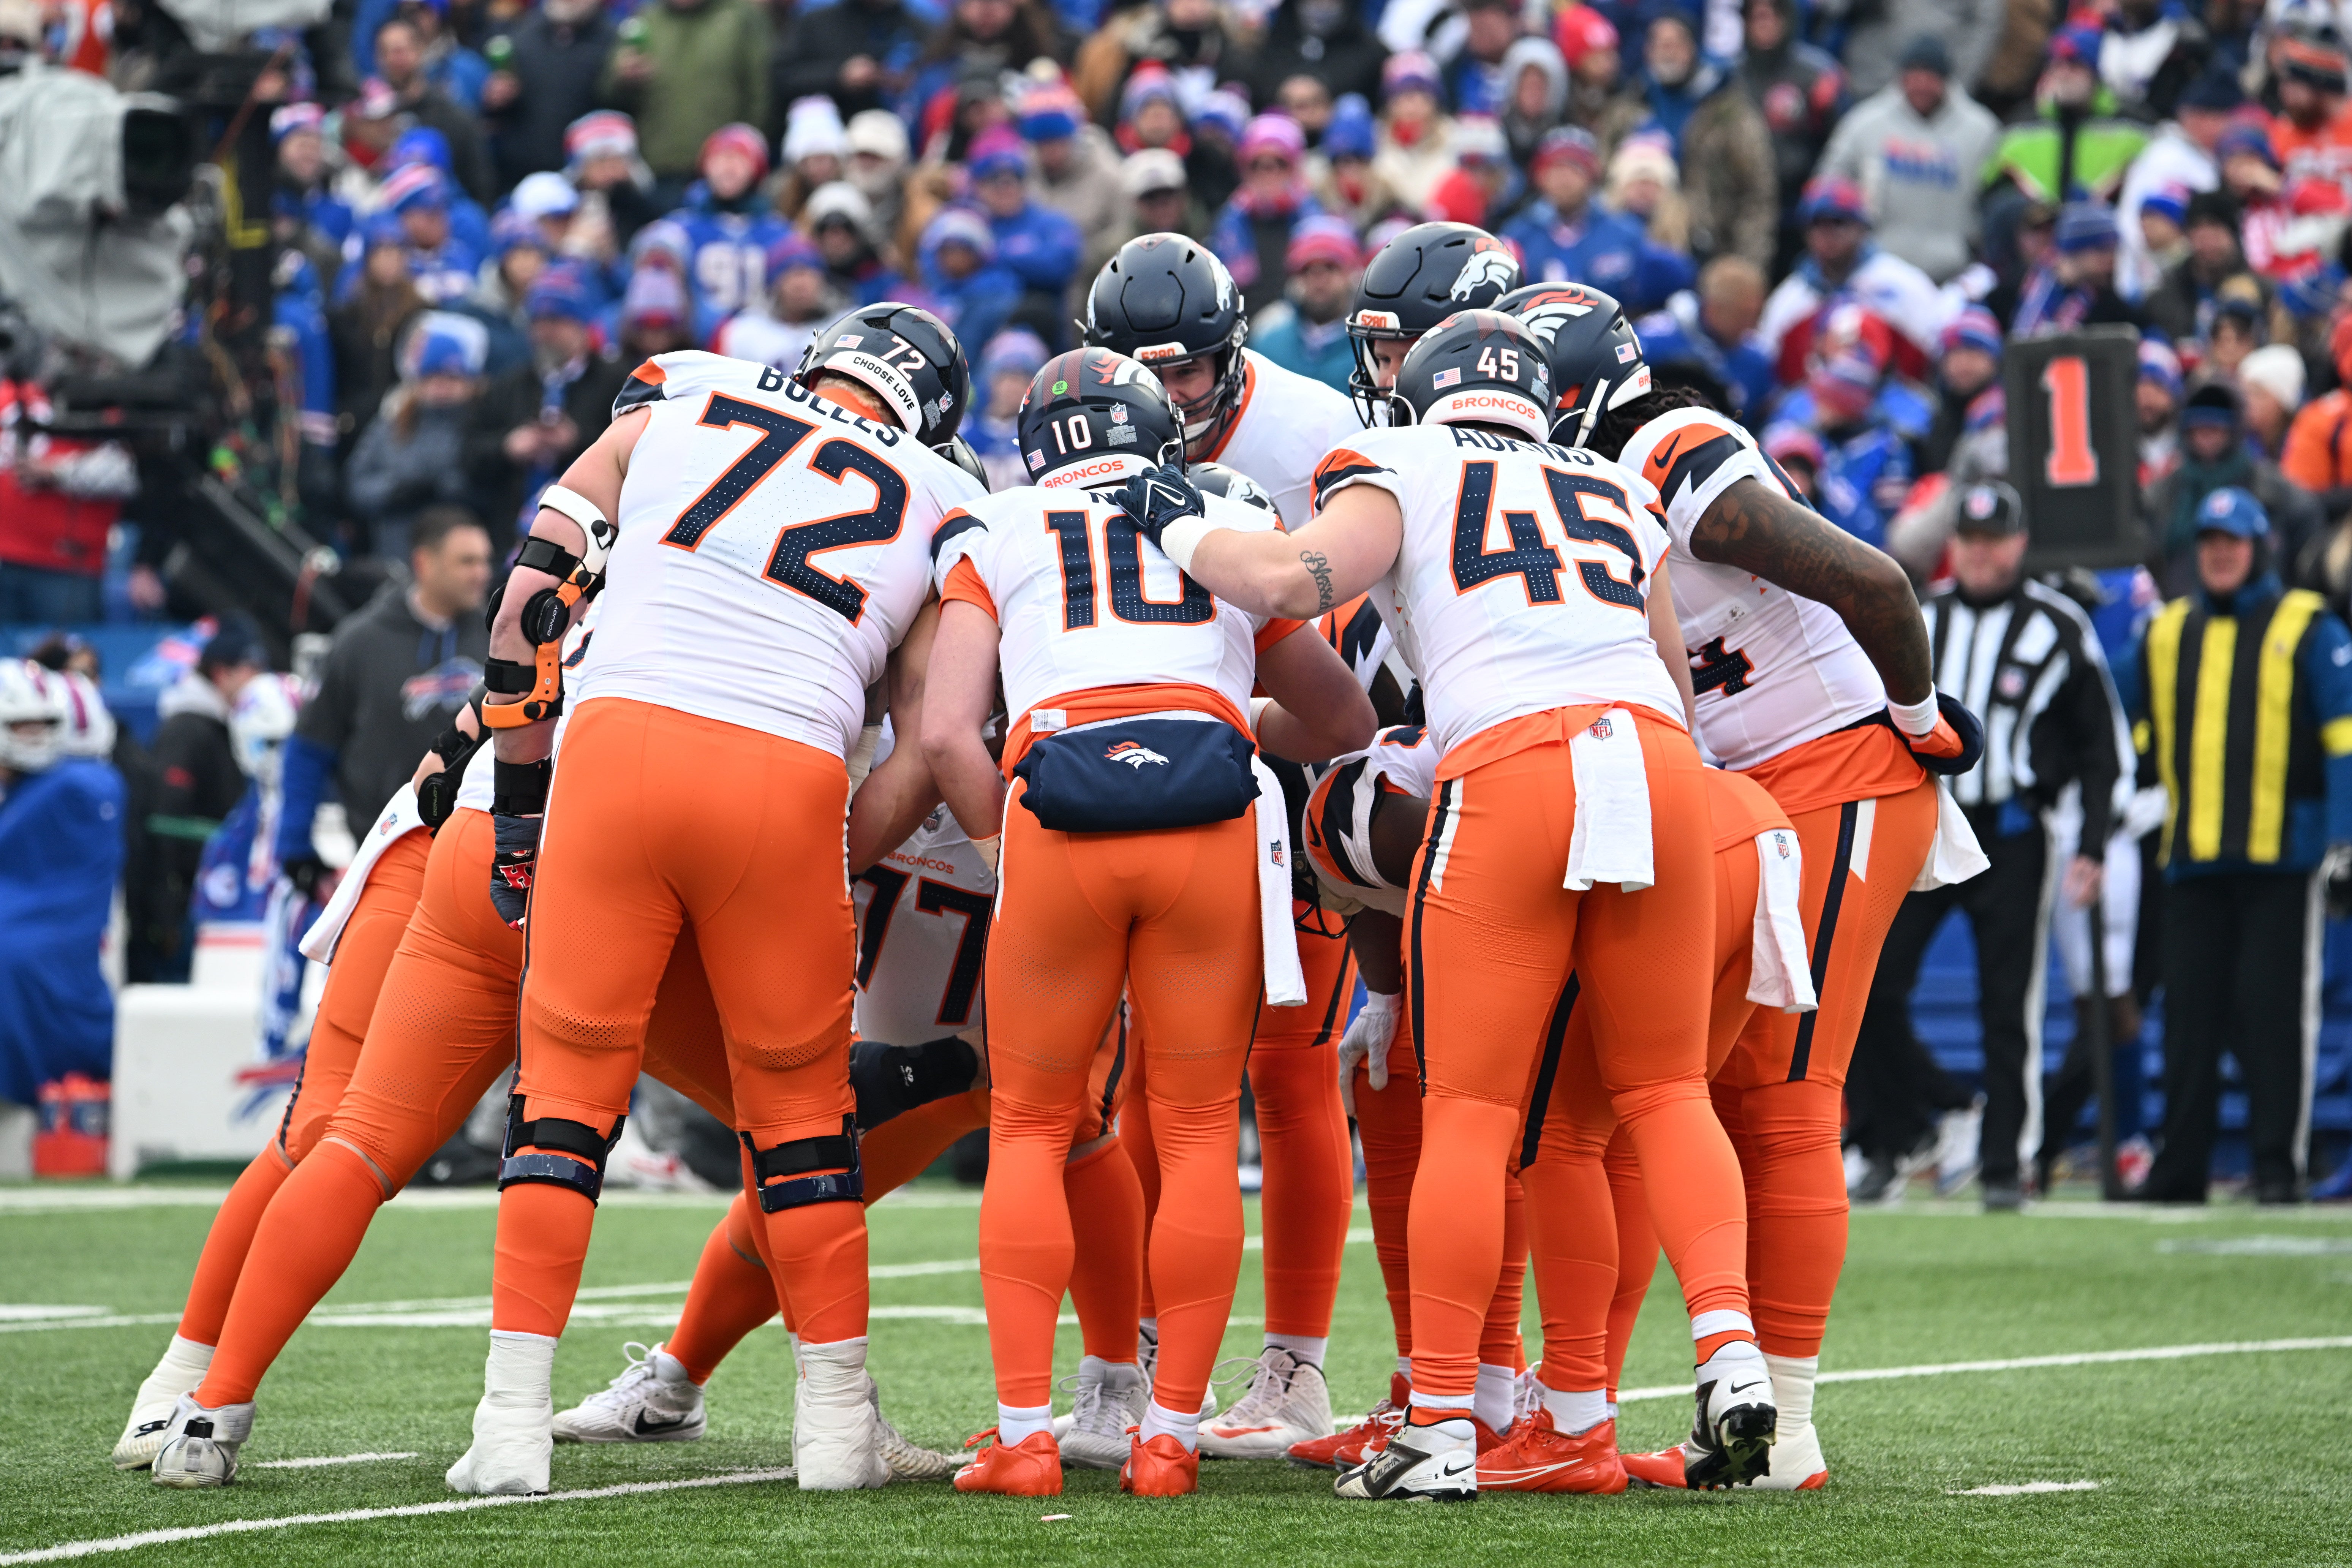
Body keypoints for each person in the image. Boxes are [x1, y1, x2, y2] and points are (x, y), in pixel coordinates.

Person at [1135, 308, 1776, 1501]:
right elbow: (1674, 690)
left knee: (1473, 1108)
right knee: (1667, 1090)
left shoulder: (1410, 459)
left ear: (1424, 392)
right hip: (1658, 770)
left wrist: (1174, 518)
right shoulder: (1613, 485)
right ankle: (1732, 1358)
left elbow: (1287, 575)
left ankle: (1440, 1420)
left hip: (1516, 765)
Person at [428, 303, 983, 1497]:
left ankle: (512, 1422)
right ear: (932, 415)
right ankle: (835, 1428)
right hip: (787, 767)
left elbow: (527, 602)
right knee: (803, 1115)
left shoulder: (676, 410)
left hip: (620, 745)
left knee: (567, 1093)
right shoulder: (943, 490)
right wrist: (823, 849)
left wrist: (523, 805)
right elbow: (936, 736)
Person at [1513, 282, 1979, 1489]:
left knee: (1782, 1097)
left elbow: (1873, 580)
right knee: (1681, 1091)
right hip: (1743, 793)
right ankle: (1593, 1406)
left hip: (1833, 767)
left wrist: (1919, 718)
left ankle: (1793, 1426)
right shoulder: (1574, 493)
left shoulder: (1670, 448)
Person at [922, 347, 1372, 1497]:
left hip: (1059, 803)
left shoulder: (997, 528)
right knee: (1194, 1132)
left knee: (1027, 1125)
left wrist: (996, 842)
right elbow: (1342, 714)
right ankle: (1169, 1436)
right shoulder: (1222, 512)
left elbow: (942, 738)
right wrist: (1226, 703)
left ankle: (1028, 1437)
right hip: (1207, 816)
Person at [1076, 237, 1368, 1461]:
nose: (1174, 398)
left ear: (1232, 350)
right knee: (1150, 1076)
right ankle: (1137, 1349)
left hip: (1297, 752)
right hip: (1156, 771)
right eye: (1153, 375)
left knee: (1293, 1070)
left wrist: (1260, 717)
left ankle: (1294, 1363)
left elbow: (1354, 607)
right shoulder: (1089, 425)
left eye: (1192, 373)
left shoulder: (1315, 431)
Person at [1849, 482, 2128, 1210]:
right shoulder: (1919, 614)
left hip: (2011, 832)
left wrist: (2092, 841)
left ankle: (2006, 1163)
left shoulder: (2058, 625)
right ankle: (1900, 1132)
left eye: (1992, 539)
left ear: (2017, 542)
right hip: (1926, 826)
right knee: (1868, 986)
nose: (1979, 552)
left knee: (2009, 1005)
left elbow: (2103, 746)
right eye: (1968, 539)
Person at [2127, 487, 2352, 1204]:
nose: (2220, 552)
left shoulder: (2307, 625)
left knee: (2272, 1019)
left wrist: (2343, 841)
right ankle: (2179, 1173)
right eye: (2209, 541)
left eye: (2234, 540)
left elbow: (2343, 739)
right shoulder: (2164, 633)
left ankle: (2276, 1168)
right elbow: (2127, 727)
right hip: (2190, 861)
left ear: (2260, 547)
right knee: (2187, 1024)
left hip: (2282, 863)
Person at [274, 507, 490, 890]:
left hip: (480, 854)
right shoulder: (361, 641)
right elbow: (310, 746)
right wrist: (294, 844)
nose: (481, 574)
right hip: (386, 853)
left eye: (484, 562)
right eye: (467, 562)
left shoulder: (498, 638)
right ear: (425, 563)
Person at [0, 661, 122, 1119]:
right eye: (21, 725)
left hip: (48, 952)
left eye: (42, 724)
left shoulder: (76, 786)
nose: (33, 735)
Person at [1595, 0, 1777, 269]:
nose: (1667, 52)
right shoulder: (1626, 111)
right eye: (1659, 44)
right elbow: (1600, 178)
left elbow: (1758, 195)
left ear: (1694, 48)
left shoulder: (1729, 112)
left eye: (1676, 43)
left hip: (1712, 252)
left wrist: (1748, 265)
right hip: (1629, 250)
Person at [1815, 33, 2001, 284]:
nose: (1922, 85)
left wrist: (1972, 246)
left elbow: (1997, 203)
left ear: (1946, 80)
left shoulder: (1982, 130)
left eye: (1930, 77)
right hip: (1875, 271)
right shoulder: (1865, 123)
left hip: (1954, 275)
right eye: (1915, 76)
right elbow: (1826, 186)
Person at [469, 268, 634, 542]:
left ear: (582, 325)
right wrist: (508, 447)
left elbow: (635, 451)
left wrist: (579, 440)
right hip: (511, 530)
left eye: (557, 321)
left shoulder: (618, 383)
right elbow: (469, 453)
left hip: (596, 529)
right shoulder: (508, 386)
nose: (545, 331)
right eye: (538, 321)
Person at [1759, 176, 1953, 386]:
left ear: (1861, 227)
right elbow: (1769, 367)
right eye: (1817, 224)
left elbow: (1940, 354)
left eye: (1838, 223)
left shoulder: (1904, 285)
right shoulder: (1790, 299)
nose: (1827, 234)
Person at [2145, 380, 2324, 599]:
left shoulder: (2278, 494)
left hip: (2263, 616)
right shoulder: (2162, 496)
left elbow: (2307, 564)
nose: (2206, 435)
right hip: (2182, 616)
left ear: (2235, 429)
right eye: (2199, 428)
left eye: (2215, 428)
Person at [346, 312, 492, 561]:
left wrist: (443, 489)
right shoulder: (393, 423)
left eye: (452, 378)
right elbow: (357, 483)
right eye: (432, 377)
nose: (441, 387)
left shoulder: (482, 424)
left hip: (458, 557)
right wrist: (396, 491)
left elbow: (490, 485)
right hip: (395, 553)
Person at [1501, 126, 1690, 314]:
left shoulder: (1625, 232)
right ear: (1541, 177)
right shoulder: (1518, 235)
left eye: (1574, 169)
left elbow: (1671, 279)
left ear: (1591, 175)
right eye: (1556, 169)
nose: (1565, 180)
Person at [598, 0, 772, 197]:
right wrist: (624, 78)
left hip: (724, 172)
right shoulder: (645, 20)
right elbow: (609, 95)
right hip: (657, 168)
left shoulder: (740, 18)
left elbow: (761, 93)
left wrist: (748, 153)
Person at [1737, 0, 1846, 271]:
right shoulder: (1730, 78)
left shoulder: (1817, 74)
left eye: (1773, 13)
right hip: (1746, 207)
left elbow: (1840, 144)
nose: (1764, 21)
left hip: (1802, 205)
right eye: (1756, 15)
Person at [666, 125, 792, 341]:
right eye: (720, 159)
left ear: (756, 169)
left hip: (761, 340)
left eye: (738, 159)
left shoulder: (778, 230)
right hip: (697, 339)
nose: (728, 167)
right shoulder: (679, 228)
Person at [1633, 255, 1775, 426]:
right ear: (1712, 309)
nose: (1753, 326)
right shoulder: (1652, 343)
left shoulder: (1757, 362)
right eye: (1743, 315)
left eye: (1757, 315)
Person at [373, 17, 495, 203]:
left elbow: (480, 185)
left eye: (401, 50)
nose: (395, 59)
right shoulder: (369, 121)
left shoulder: (454, 118)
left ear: (421, 51)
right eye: (387, 52)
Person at [1247, 217, 1359, 397]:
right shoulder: (1268, 341)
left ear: (1351, 273)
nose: (1319, 280)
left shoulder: (1371, 349)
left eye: (1331, 267)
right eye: (1307, 269)